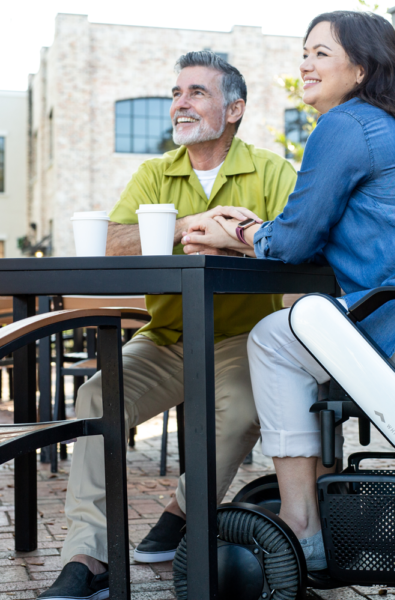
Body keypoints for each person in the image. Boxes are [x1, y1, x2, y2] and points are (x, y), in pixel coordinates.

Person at [181, 12, 395, 571]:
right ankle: (318, 490)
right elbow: (313, 238)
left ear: (362, 68)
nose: (305, 63)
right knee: (308, 337)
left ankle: (302, 523)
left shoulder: (346, 126)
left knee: (273, 338)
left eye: (321, 53)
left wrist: (235, 231)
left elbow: (291, 243)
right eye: (305, 52)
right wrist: (250, 236)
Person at [40, 51, 297, 600]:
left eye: (196, 93)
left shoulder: (273, 170)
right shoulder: (154, 173)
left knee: (246, 410)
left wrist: (243, 239)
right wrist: (185, 226)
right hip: (164, 339)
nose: (180, 103)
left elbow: (298, 246)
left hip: (240, 339)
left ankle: (183, 507)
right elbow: (109, 243)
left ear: (234, 109)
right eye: (176, 93)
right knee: (95, 397)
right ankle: (88, 553)